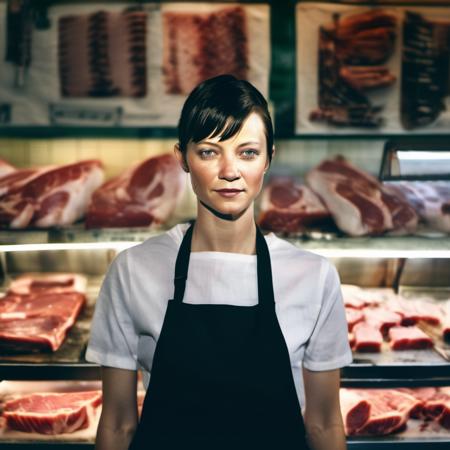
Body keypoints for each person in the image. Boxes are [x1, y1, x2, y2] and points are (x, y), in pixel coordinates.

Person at [86, 74, 352, 450]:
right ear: (183, 159)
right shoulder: (133, 270)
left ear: (269, 159)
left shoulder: (313, 276)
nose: (230, 171)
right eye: (209, 151)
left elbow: (324, 424)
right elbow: (116, 425)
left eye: (248, 153)